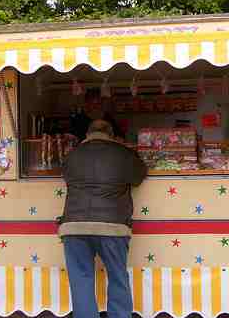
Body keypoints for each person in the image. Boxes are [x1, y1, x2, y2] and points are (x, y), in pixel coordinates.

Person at [60, 119, 147, 318]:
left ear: (87, 135)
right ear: (112, 135)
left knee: (81, 279)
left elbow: (65, 175)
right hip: (113, 227)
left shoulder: (71, 155)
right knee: (117, 277)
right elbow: (139, 176)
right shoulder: (123, 154)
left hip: (74, 226)